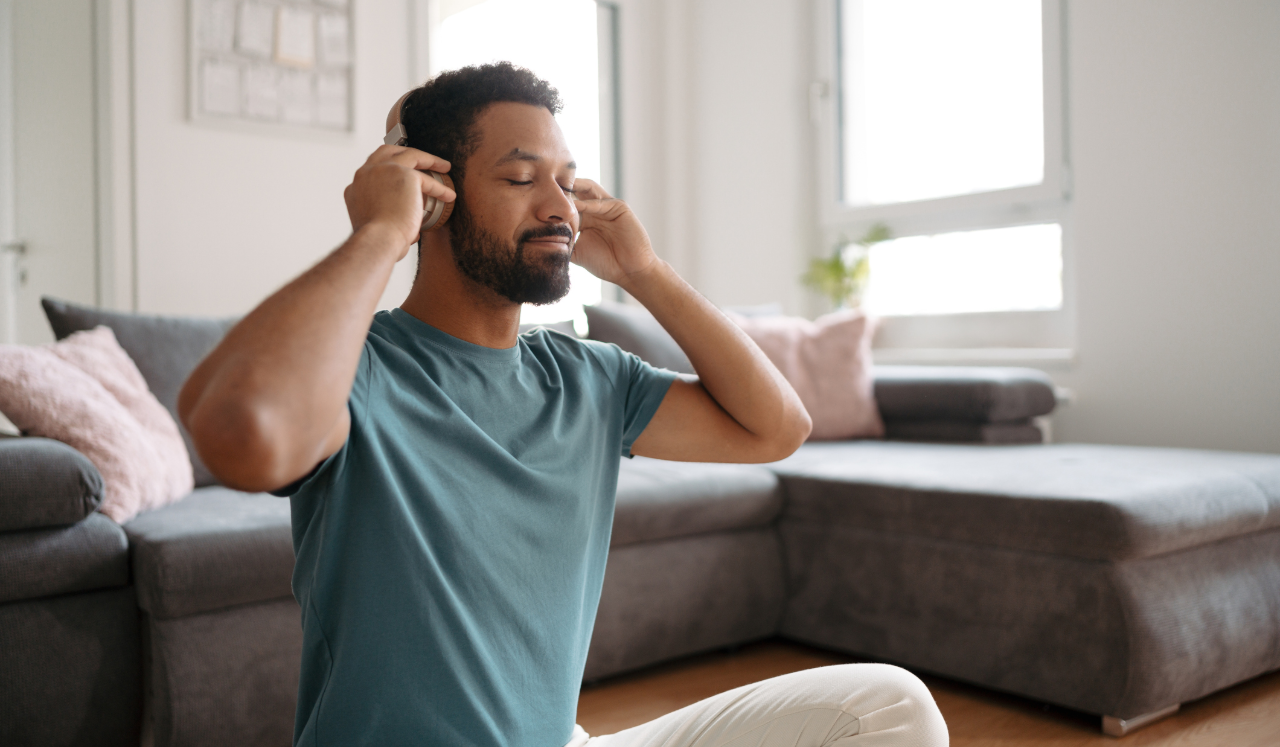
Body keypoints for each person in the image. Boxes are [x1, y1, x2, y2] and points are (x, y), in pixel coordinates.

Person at [178, 62, 948, 747]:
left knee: (887, 706)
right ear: (435, 199)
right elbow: (245, 434)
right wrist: (382, 232)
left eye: (568, 181)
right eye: (520, 179)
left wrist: (646, 271)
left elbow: (778, 427)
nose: (561, 208)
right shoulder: (360, 369)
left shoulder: (588, 379)